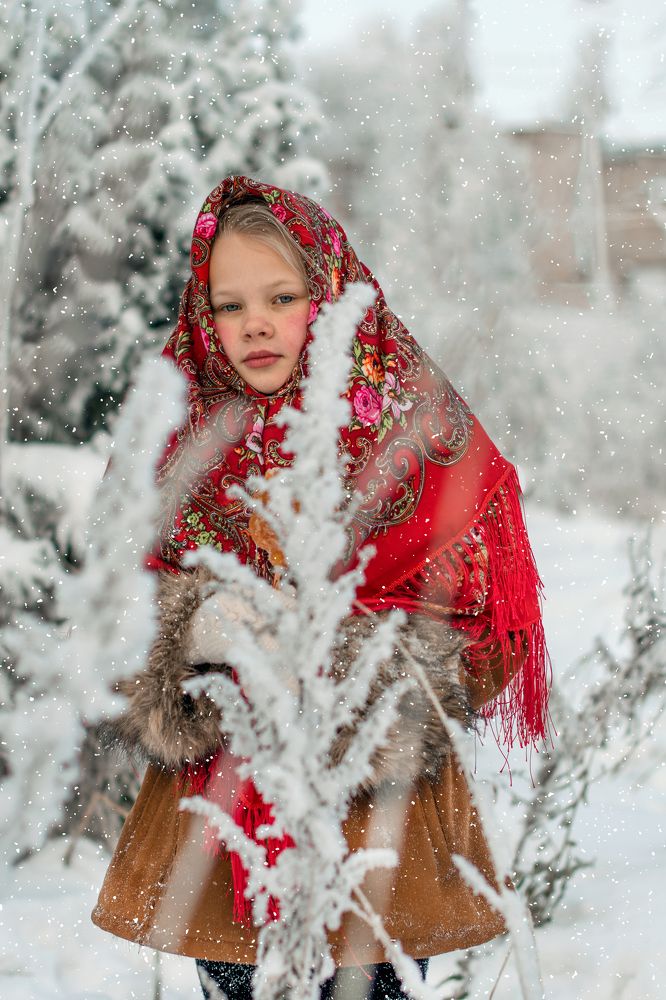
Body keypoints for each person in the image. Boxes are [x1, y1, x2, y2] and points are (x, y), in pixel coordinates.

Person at [91, 175, 550, 999]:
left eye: (282, 295)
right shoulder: (180, 439)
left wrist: (349, 657)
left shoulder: (411, 426)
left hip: (381, 822)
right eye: (228, 305)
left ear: (329, 294)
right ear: (204, 315)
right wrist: (196, 631)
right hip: (221, 809)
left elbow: (480, 618)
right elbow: (118, 618)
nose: (255, 323)